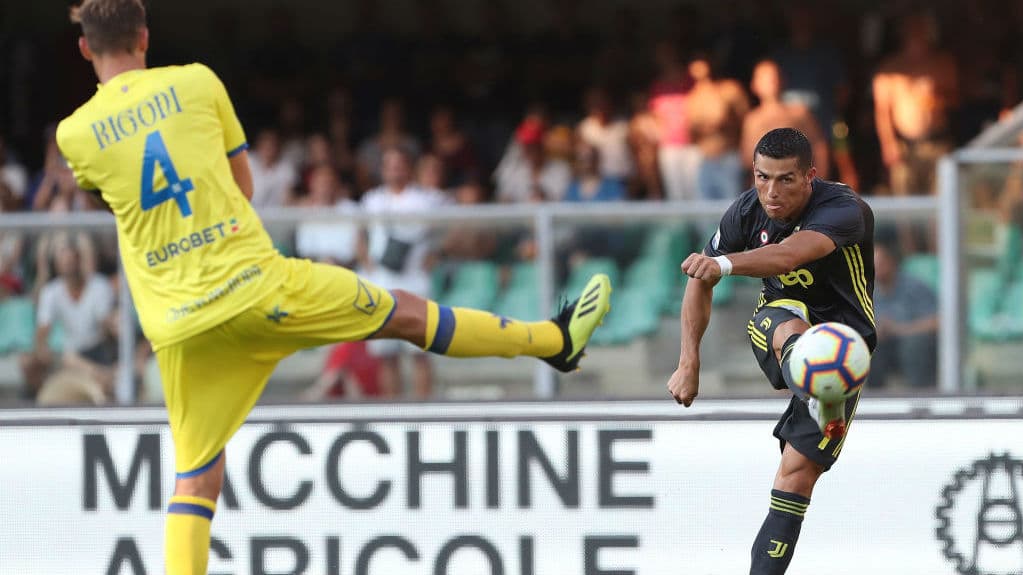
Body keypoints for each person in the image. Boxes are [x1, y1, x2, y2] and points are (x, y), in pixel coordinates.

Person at [55, 2, 612, 573]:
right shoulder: (197, 81)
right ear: (145, 36)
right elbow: (243, 188)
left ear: (84, 49)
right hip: (260, 287)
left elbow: (118, 204)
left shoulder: (74, 135)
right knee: (406, 314)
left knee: (195, 480)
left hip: (180, 323)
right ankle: (553, 341)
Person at [667, 128, 875, 574]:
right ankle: (820, 386)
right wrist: (689, 361)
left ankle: (825, 386)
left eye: (785, 180)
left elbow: (786, 257)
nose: (771, 192)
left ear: (810, 177)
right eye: (762, 178)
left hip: (847, 347)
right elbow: (698, 280)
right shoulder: (745, 210)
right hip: (778, 326)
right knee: (780, 313)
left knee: (795, 478)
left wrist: (722, 263)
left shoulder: (844, 209)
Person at [870, 242, 937, 389]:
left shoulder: (915, 287)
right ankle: (873, 396)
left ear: (892, 263)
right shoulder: (866, 290)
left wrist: (899, 329)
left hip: (914, 347)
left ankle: (919, 396)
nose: (876, 269)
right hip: (884, 347)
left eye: (880, 264)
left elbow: (936, 321)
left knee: (914, 345)